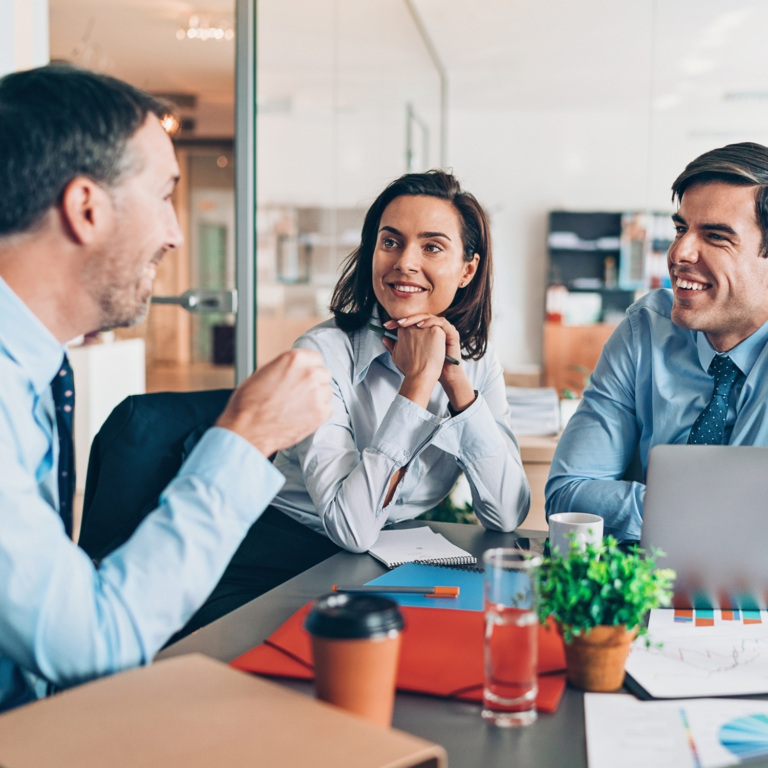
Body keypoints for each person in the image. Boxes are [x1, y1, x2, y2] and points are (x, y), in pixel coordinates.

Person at [0, 64, 332, 711]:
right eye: (163, 195)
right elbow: (98, 643)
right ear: (86, 208)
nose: (177, 234)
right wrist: (244, 438)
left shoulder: (33, 367)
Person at [180, 171, 531, 635]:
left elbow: (506, 513)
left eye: (431, 247)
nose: (404, 262)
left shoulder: (477, 363)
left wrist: (452, 378)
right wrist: (418, 383)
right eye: (391, 242)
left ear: (467, 269)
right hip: (282, 563)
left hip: (386, 564)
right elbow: (350, 528)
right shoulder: (321, 356)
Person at [546, 142, 768, 541]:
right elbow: (569, 496)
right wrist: (714, 514)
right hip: (641, 590)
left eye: (716, 236)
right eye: (681, 228)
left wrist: (656, 510)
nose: (680, 252)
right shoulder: (645, 331)